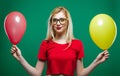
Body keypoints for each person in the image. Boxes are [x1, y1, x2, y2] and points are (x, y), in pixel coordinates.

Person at [11, 6, 109, 76]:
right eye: (55, 20)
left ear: (67, 22)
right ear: (51, 23)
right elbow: (37, 73)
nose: (58, 23)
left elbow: (80, 74)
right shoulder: (45, 44)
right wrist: (20, 58)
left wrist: (97, 61)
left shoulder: (77, 44)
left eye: (62, 20)